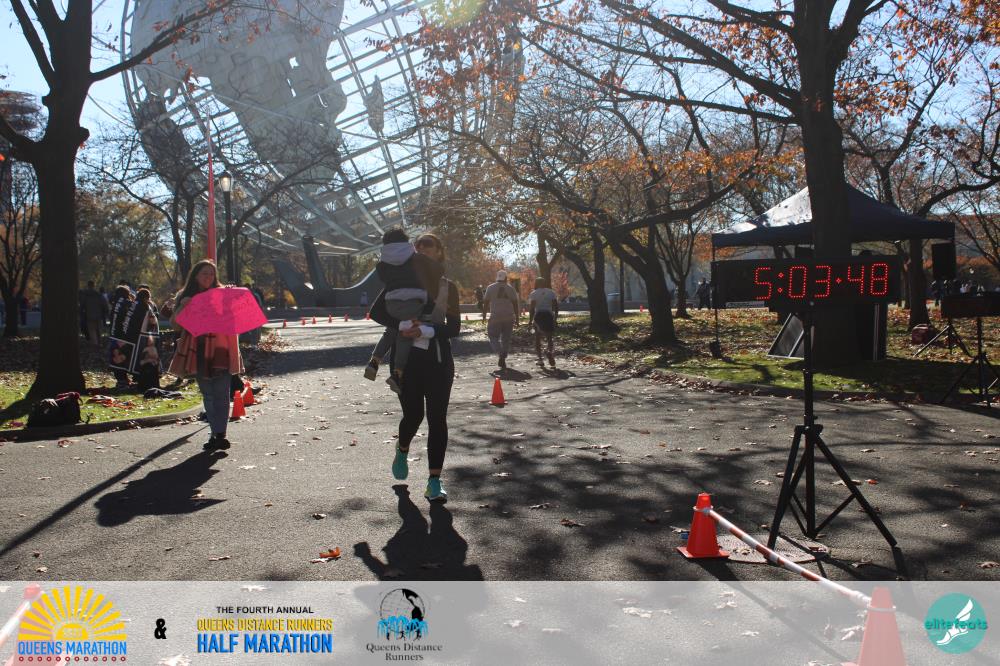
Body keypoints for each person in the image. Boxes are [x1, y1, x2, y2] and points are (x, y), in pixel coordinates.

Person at [370, 233, 460, 502]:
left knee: (437, 419)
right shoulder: (400, 281)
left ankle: (434, 481)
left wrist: (427, 331)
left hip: (438, 361)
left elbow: (454, 328)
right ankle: (402, 448)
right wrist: (402, 325)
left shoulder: (447, 287)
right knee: (413, 416)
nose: (421, 248)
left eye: (428, 245)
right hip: (405, 363)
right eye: (417, 245)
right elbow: (377, 313)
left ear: (439, 251)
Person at [168, 259, 244, 452]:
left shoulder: (222, 293)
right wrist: (183, 306)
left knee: (222, 394)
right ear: (195, 276)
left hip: (221, 350)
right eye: (204, 273)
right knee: (208, 394)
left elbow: (233, 319)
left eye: (211, 274)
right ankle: (216, 434)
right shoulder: (186, 296)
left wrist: (230, 298)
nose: (208, 277)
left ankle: (220, 434)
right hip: (198, 352)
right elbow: (175, 325)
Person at [365, 228, 443, 393]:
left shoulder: (383, 263)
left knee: (391, 330)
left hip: (391, 301)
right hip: (414, 301)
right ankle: (397, 374)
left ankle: (375, 361)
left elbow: (383, 277)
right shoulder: (417, 258)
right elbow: (439, 270)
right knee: (405, 336)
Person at [483, 270, 520, 370]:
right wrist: (517, 318)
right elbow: (515, 304)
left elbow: (486, 302)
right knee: (506, 338)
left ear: (497, 277)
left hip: (495, 316)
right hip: (509, 316)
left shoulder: (490, 287)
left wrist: (484, 316)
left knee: (493, 336)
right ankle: (504, 353)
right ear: (506, 278)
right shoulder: (511, 288)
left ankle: (500, 353)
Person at [527, 277, 559, 367]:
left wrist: (530, 321)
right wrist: (555, 318)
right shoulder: (551, 292)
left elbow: (532, 308)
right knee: (549, 338)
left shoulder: (534, 293)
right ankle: (549, 352)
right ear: (544, 283)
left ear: (536, 283)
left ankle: (540, 359)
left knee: (538, 338)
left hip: (539, 315)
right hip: (548, 315)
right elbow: (556, 306)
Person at [81, 280, 109, 346]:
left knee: (92, 330)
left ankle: (95, 344)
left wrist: (81, 312)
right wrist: (106, 312)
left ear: (88, 285)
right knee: (99, 330)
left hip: (89, 315)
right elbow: (105, 304)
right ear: (94, 285)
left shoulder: (85, 295)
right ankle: (99, 343)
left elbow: (82, 305)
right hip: (99, 315)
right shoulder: (99, 295)